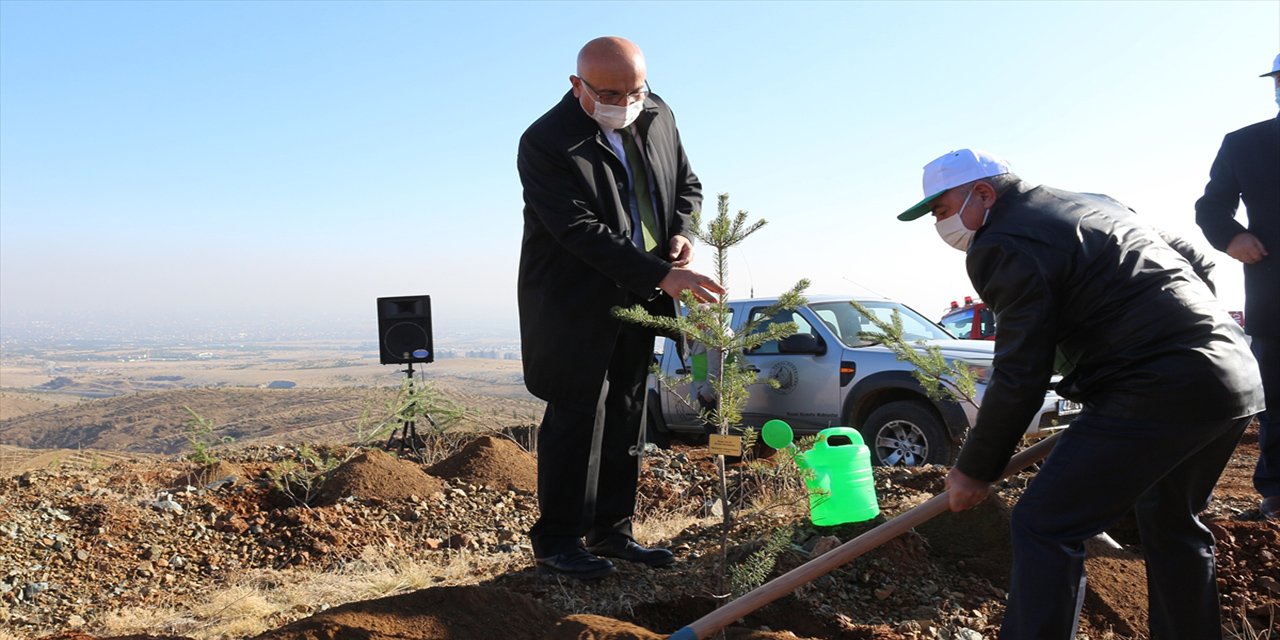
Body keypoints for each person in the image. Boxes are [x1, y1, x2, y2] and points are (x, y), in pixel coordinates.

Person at [897, 149, 1263, 639]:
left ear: (983, 193)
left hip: (1156, 387)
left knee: (1044, 523)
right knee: (1171, 521)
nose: (940, 226)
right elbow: (1190, 256)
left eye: (941, 211)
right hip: (1232, 376)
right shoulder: (1094, 203)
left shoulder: (1002, 241)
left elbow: (1021, 369)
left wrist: (975, 468)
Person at [516, 36, 724, 580]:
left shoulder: (658, 113)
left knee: (628, 409)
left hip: (643, 290)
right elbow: (576, 230)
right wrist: (663, 274)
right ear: (576, 85)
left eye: (635, 90)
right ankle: (559, 540)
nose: (626, 103)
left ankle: (613, 531)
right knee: (577, 413)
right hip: (574, 300)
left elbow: (688, 185)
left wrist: (681, 233)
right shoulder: (546, 141)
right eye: (609, 93)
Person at [1195, 53, 1280, 520]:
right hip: (1275, 294)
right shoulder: (1246, 144)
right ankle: (1277, 493)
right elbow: (1210, 208)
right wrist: (1232, 237)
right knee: (1278, 399)